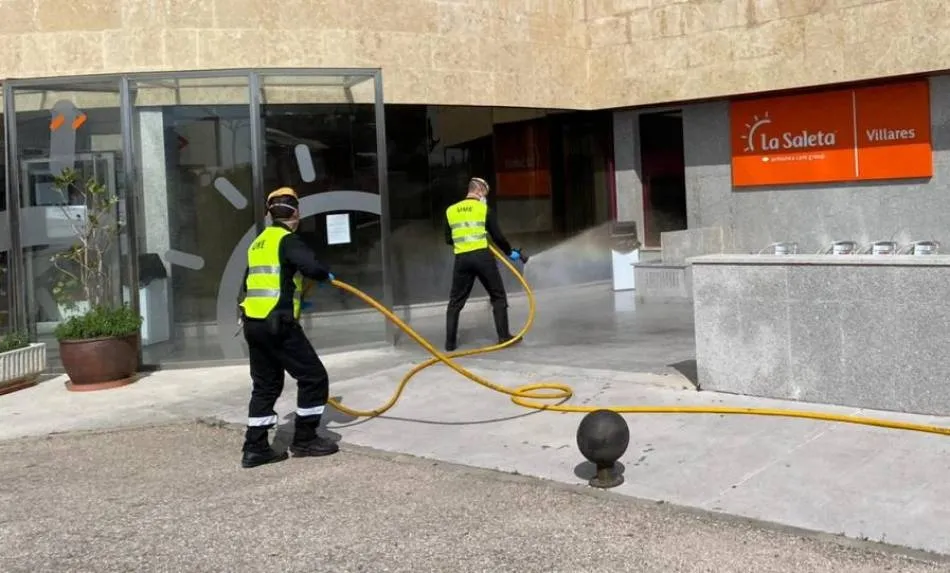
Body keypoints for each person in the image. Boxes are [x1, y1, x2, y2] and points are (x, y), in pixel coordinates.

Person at [237, 186, 339, 469]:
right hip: (277, 324)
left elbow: (250, 283)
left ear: (269, 214)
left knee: (266, 385)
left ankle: (255, 448)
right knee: (313, 377)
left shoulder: (258, 242)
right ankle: (305, 440)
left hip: (253, 324)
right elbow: (311, 267)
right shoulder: (287, 239)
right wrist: (322, 273)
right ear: (295, 212)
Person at [443, 177, 527, 352]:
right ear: (480, 190)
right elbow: (498, 237)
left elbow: (448, 239)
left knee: (455, 302)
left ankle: (449, 344)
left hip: (462, 259)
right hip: (482, 257)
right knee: (498, 296)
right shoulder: (484, 209)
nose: (485, 196)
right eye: (485, 193)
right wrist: (509, 252)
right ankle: (504, 337)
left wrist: (465, 243)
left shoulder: (450, 210)